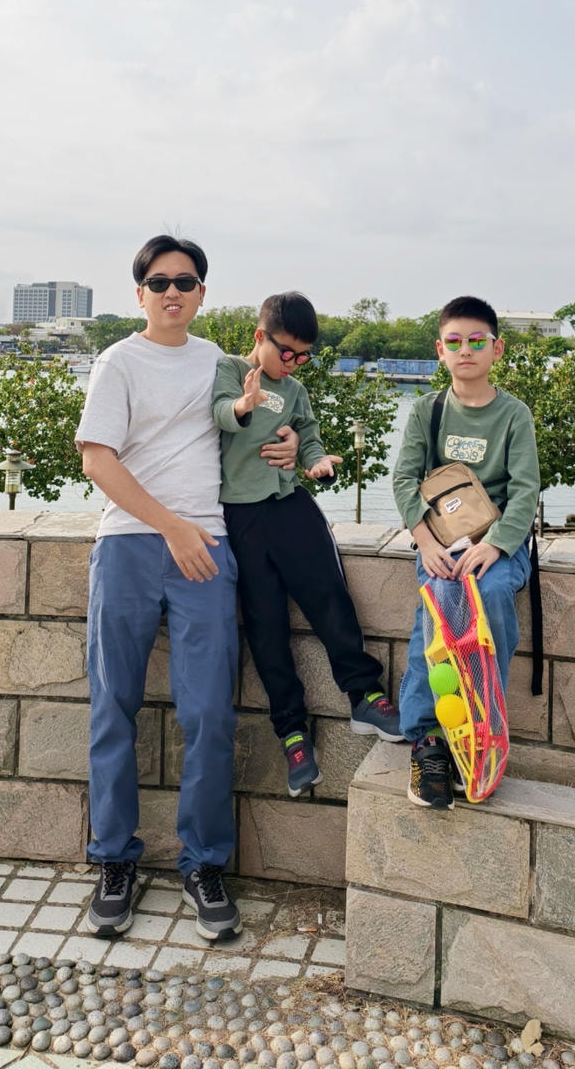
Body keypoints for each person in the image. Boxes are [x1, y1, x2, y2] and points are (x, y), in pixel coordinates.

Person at [75, 235, 298, 941]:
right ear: (140, 292)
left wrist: (291, 443)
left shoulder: (222, 365)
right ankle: (114, 858)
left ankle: (204, 864)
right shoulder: (118, 362)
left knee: (209, 715)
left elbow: (265, 424)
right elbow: (96, 459)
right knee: (113, 707)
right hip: (131, 544)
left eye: (186, 281)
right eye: (159, 281)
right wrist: (170, 526)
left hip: (207, 549)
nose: (172, 292)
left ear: (203, 292)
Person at [212, 292, 404, 797]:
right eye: (286, 352)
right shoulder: (230, 369)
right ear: (260, 337)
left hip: (290, 505)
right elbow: (219, 413)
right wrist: (244, 404)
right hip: (241, 515)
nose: (293, 363)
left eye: (303, 356)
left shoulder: (295, 390)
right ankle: (292, 732)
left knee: (329, 595)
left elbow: (309, 436)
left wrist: (315, 461)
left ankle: (364, 695)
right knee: (266, 624)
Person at [392, 295, 540, 810]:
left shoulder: (514, 415)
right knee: (437, 609)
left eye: (477, 341)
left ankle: (480, 724)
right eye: (454, 342)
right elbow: (404, 480)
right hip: (440, 542)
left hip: (499, 543)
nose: (466, 350)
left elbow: (525, 490)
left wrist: (496, 545)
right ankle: (428, 739)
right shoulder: (427, 410)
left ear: (497, 349)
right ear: (440, 350)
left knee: (490, 597)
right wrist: (425, 542)